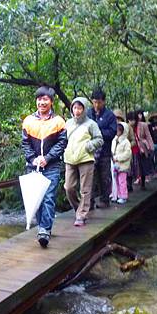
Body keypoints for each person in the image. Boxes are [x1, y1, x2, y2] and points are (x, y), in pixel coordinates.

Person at [22, 86, 67, 248]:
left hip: (52, 165)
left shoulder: (58, 121)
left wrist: (47, 158)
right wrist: (33, 159)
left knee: (48, 197)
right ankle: (42, 226)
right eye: (39, 99)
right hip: (33, 166)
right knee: (37, 198)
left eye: (45, 99)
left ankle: (44, 230)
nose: (42, 102)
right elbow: (25, 143)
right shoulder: (28, 120)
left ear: (51, 101)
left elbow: (62, 143)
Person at [64, 97, 103, 226]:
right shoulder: (68, 123)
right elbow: (63, 139)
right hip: (70, 159)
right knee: (69, 187)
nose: (77, 111)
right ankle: (78, 209)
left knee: (85, 189)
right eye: (75, 108)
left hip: (86, 159)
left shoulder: (91, 124)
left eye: (80, 108)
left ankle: (81, 215)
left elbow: (99, 139)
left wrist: (88, 147)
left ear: (84, 109)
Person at [87, 89, 117, 208]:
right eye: (94, 102)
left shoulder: (109, 115)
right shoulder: (88, 113)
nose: (96, 105)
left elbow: (112, 132)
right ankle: (89, 202)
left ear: (103, 102)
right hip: (90, 152)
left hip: (104, 151)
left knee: (104, 177)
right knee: (90, 177)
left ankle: (105, 200)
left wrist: (98, 132)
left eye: (99, 102)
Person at [127, 111, 154, 190]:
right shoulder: (126, 127)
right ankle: (129, 185)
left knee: (142, 165)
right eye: (130, 120)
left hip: (142, 148)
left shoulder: (143, 125)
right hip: (131, 148)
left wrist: (151, 148)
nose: (132, 122)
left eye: (133, 120)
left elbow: (148, 136)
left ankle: (142, 182)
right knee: (131, 167)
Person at [111, 122, 132, 204]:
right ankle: (117, 195)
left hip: (122, 166)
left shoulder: (126, 142)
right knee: (115, 181)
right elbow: (112, 150)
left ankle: (123, 196)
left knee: (122, 181)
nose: (116, 132)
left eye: (118, 130)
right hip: (115, 165)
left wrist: (117, 158)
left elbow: (127, 154)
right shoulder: (114, 140)